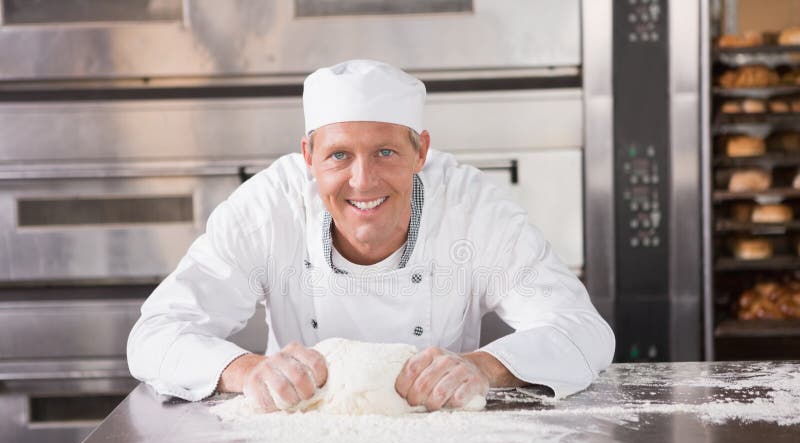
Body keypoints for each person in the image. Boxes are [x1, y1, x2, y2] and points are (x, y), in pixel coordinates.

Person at [127, 59, 615, 412]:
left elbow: (583, 331)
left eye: (385, 152)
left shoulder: (472, 210)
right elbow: (156, 335)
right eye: (339, 155)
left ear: (421, 151)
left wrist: (483, 367)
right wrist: (249, 370)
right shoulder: (269, 208)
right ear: (308, 156)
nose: (363, 182)